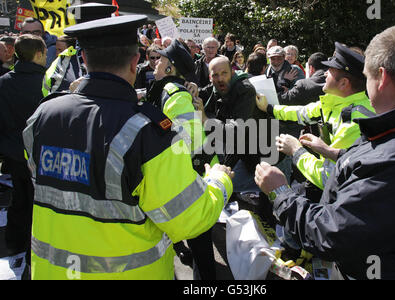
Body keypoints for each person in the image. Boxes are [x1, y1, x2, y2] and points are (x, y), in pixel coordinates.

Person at [24, 15, 234, 280]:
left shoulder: (42, 115)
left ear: (84, 60)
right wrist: (220, 181)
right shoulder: (146, 132)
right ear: (136, 62)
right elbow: (190, 219)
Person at [255, 24, 395, 280]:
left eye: (367, 78)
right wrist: (334, 152)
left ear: (382, 78)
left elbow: (331, 233)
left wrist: (280, 191)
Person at [257, 42, 375, 200]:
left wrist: (296, 151)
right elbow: (302, 113)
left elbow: (329, 178)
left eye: (330, 71)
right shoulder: (335, 101)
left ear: (344, 83)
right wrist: (269, 108)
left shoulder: (354, 121)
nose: (325, 74)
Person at [147, 39, 222, 280]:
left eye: (161, 60)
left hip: (187, 178)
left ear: (171, 68)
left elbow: (186, 140)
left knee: (200, 243)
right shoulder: (169, 89)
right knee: (198, 241)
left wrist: (160, 125)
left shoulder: (175, 93)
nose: (156, 63)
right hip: (183, 175)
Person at [0, 34, 47, 274]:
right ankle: (32, 251)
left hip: (14, 156)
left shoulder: (4, 82)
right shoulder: (46, 83)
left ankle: (16, 245)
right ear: (38, 54)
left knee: (19, 201)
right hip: (40, 156)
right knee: (38, 205)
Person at [42, 2, 117, 97]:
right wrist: (71, 92)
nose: (94, 39)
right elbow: (49, 98)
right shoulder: (64, 60)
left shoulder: (122, 58)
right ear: (77, 35)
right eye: (87, 33)